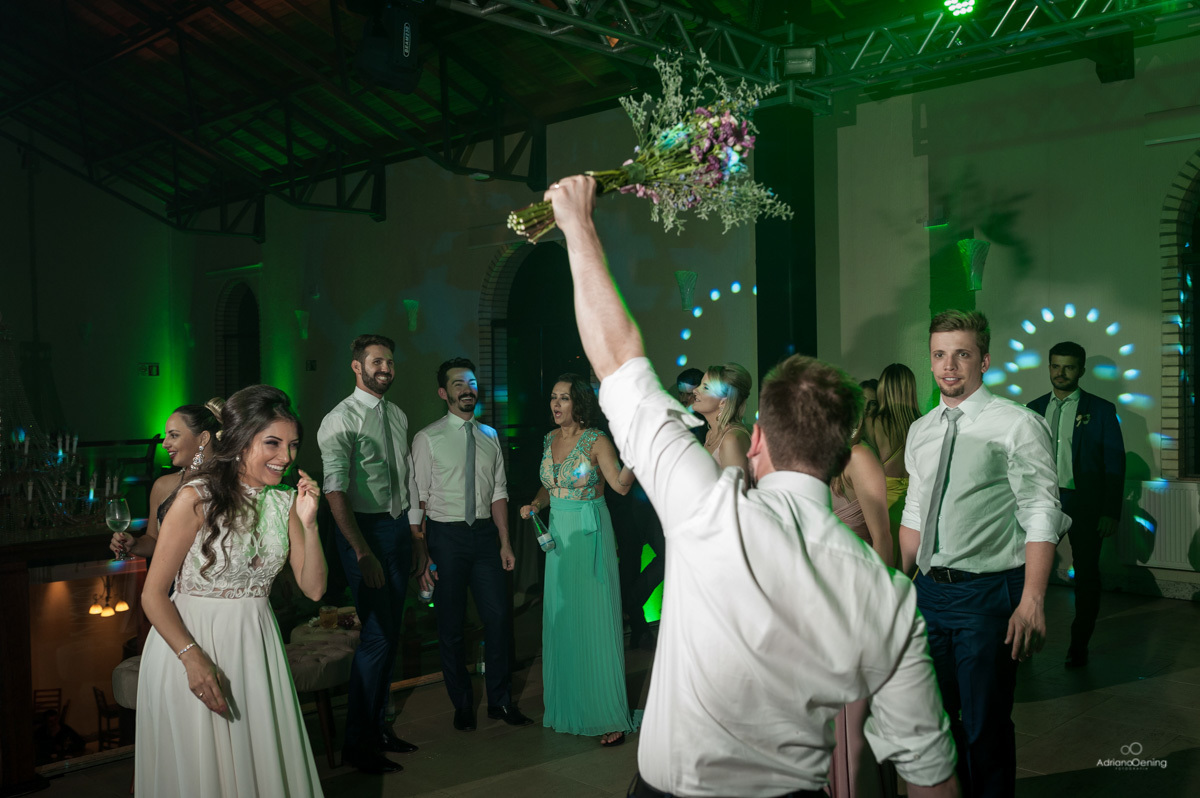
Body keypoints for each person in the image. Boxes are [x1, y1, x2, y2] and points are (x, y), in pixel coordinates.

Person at [543, 175, 958, 798]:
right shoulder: (888, 595)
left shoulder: (707, 509)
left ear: (758, 439)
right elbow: (929, 780)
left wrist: (577, 224)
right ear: (844, 452)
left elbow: (618, 361)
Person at [899, 310, 1069, 798]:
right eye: (939, 354)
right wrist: (896, 586)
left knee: (984, 726)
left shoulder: (1018, 425)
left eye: (962, 354)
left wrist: (1033, 599)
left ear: (984, 360)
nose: (949, 366)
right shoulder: (922, 429)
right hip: (929, 593)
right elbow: (915, 510)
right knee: (935, 720)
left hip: (987, 594)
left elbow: (1041, 510)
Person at [135, 385, 327, 796]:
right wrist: (194, 660)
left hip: (257, 648)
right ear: (239, 443)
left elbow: (313, 589)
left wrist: (310, 525)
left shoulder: (285, 503)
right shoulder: (194, 499)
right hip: (189, 646)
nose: (286, 457)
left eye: (293, 445)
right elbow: (152, 595)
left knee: (258, 770)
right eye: (272, 443)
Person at [317, 334, 422, 775]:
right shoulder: (339, 420)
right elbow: (335, 490)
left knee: (389, 636)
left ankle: (377, 729)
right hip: (363, 533)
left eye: (390, 362)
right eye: (377, 361)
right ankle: (357, 746)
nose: (386, 368)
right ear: (357, 367)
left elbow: (407, 480)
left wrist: (415, 539)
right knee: (376, 637)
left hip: (397, 530)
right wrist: (361, 551)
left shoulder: (396, 414)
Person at [411, 357, 532, 731]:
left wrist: (505, 543)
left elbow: (498, 493)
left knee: (498, 619)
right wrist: (422, 553)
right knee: (450, 625)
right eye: (459, 384)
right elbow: (417, 499)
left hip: (484, 536)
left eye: (472, 383)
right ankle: (462, 704)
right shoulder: (427, 438)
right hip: (445, 537)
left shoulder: (491, 436)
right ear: (444, 392)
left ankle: (499, 702)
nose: (468, 389)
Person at [519, 373, 637, 747]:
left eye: (564, 398)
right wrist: (537, 502)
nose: (556, 405)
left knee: (592, 618)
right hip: (558, 538)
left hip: (588, 534)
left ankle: (606, 713)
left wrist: (636, 453)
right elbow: (550, 483)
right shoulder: (548, 439)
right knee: (563, 619)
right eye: (553, 397)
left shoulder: (596, 440)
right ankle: (569, 705)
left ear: (579, 403)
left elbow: (619, 485)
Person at [1027, 341, 1125, 669]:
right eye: (1055, 366)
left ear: (1081, 370)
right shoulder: (1034, 408)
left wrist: (1111, 511)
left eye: (1068, 367)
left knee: (1085, 576)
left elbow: (1114, 464)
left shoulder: (1100, 409)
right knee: (1026, 573)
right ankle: (1022, 642)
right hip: (1042, 502)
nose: (1060, 373)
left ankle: (1078, 645)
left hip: (1084, 503)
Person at [109, 403, 220, 558]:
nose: (164, 444)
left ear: (203, 438)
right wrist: (134, 543)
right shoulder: (162, 486)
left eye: (174, 435)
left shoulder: (231, 487)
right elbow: (154, 541)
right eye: (166, 435)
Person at [868, 363, 922, 564]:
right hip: (915, 508)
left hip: (884, 506)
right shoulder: (924, 424)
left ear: (883, 389)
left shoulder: (873, 422)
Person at [694, 362, 753, 473]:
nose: (695, 390)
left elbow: (738, 490)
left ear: (723, 402)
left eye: (705, 387)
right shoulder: (710, 434)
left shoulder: (731, 440)